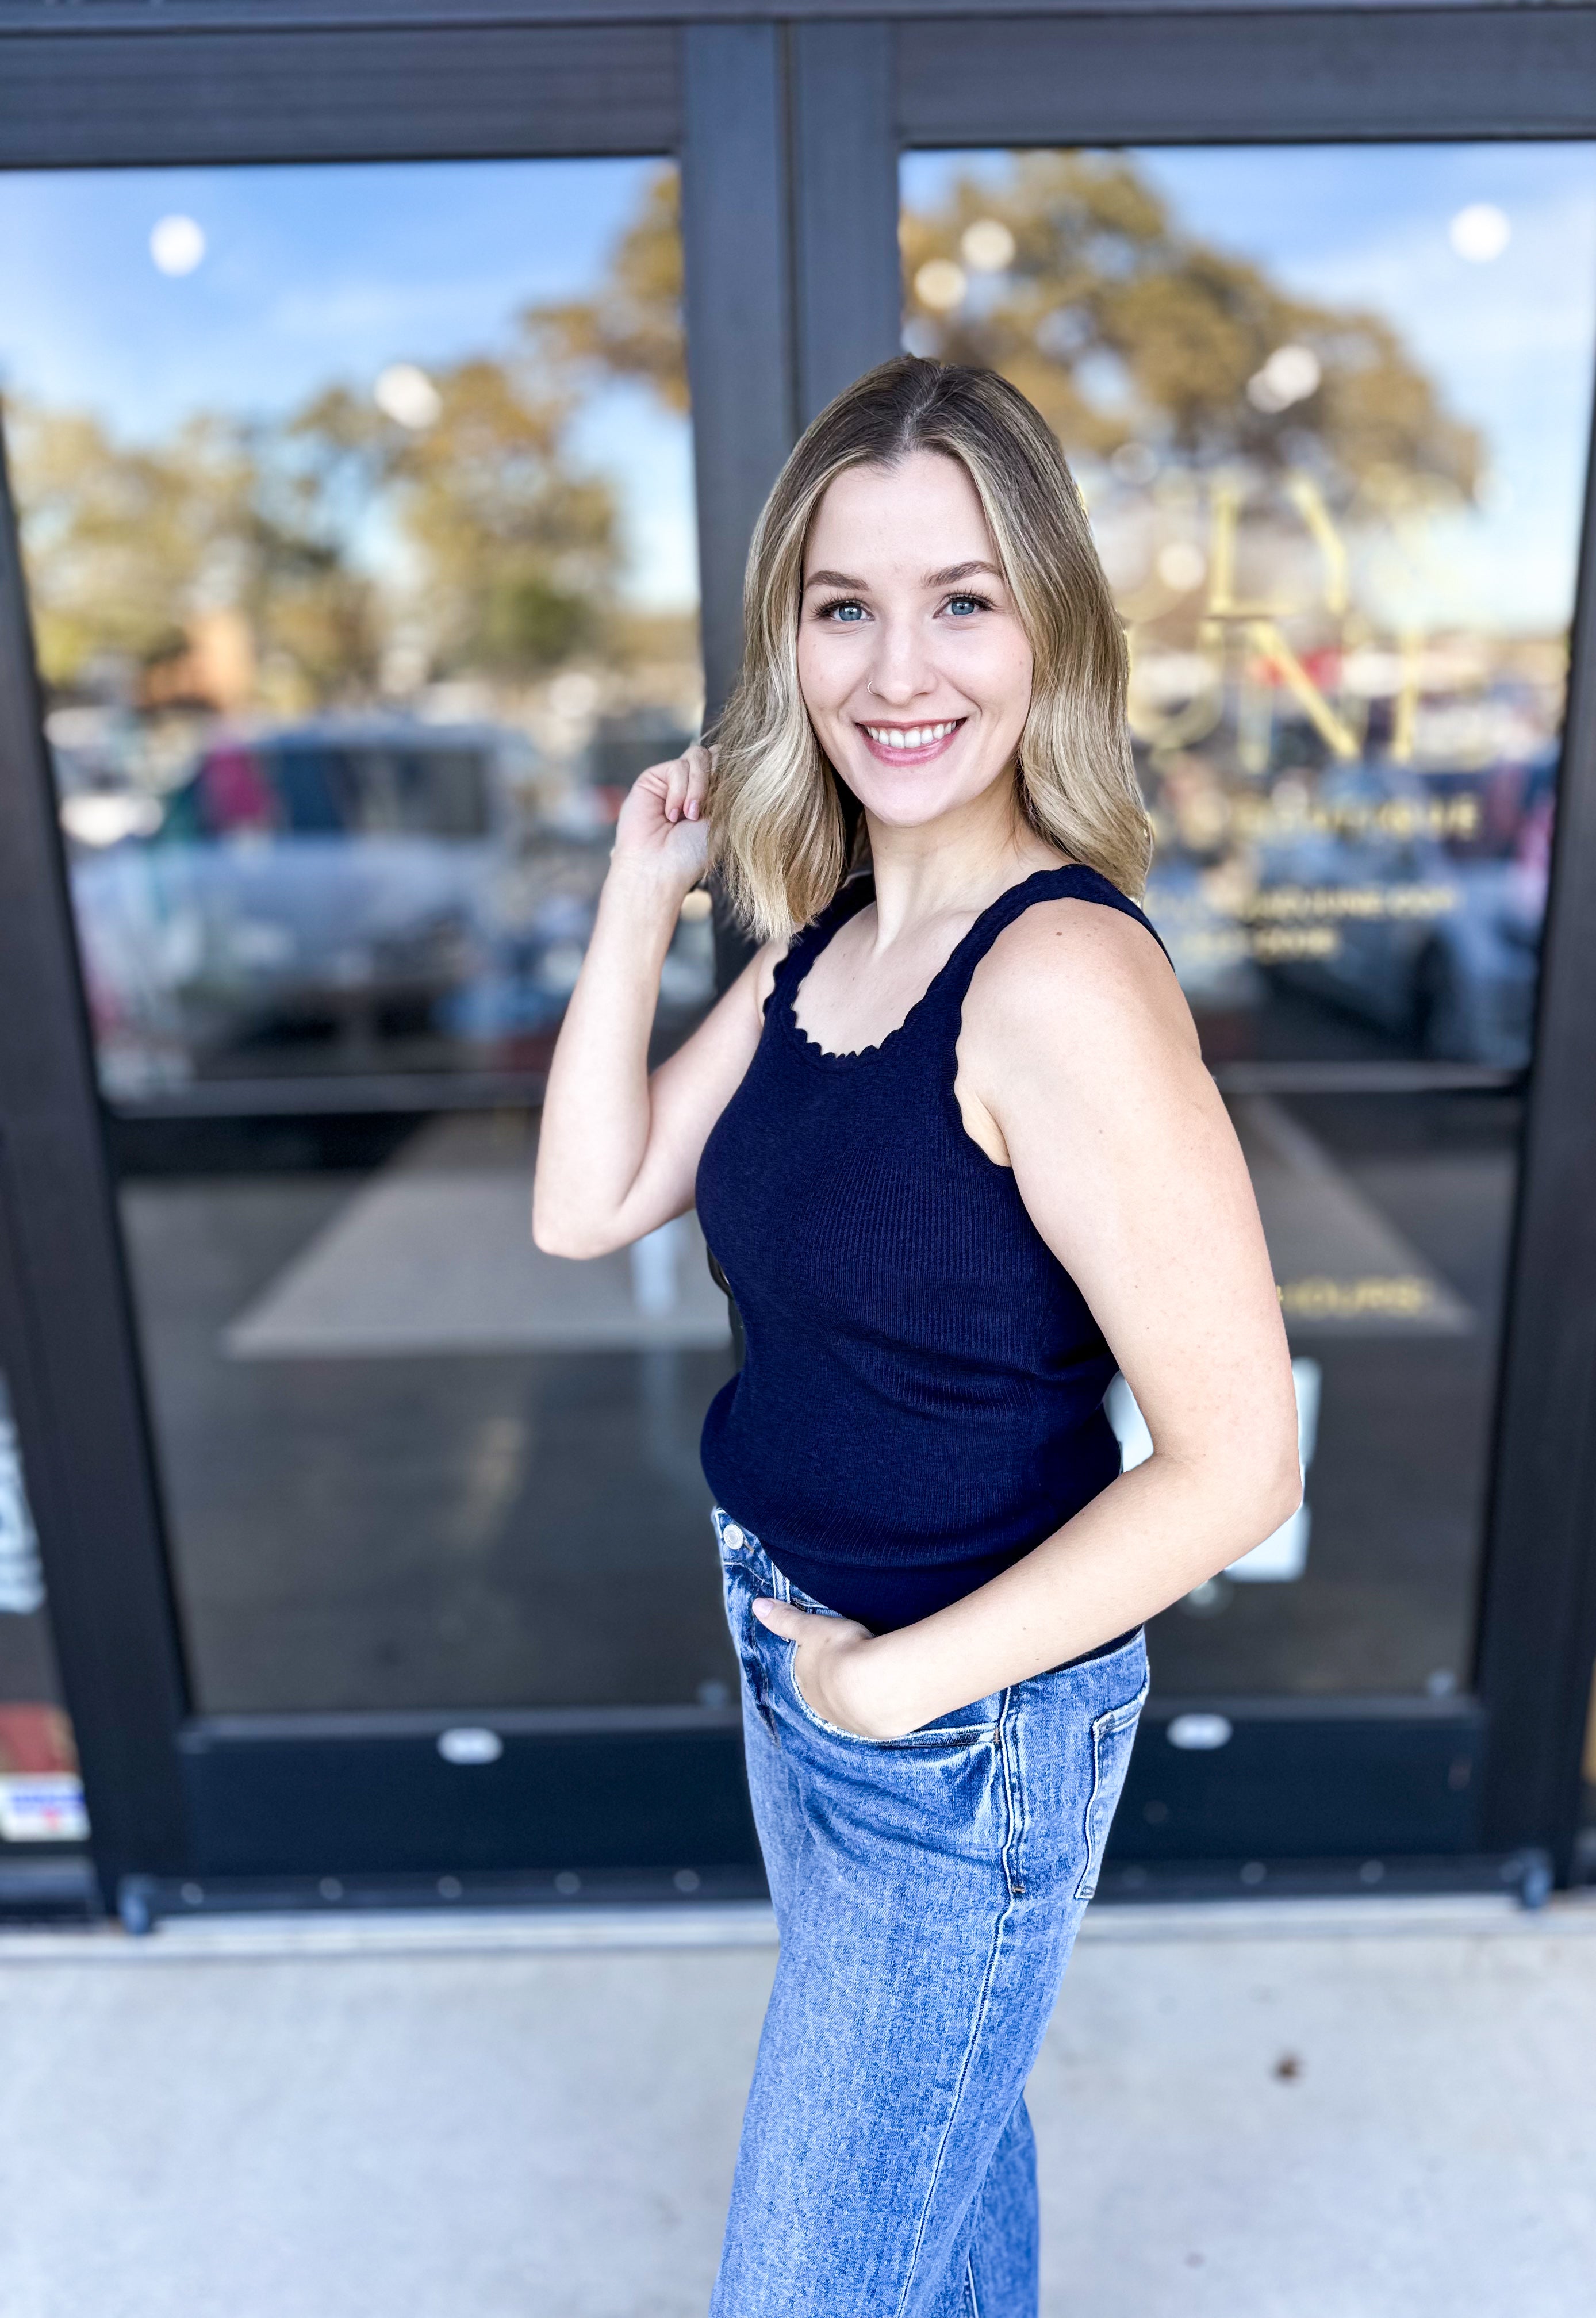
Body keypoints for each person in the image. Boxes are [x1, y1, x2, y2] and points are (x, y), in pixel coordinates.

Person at [532, 355, 1300, 2317]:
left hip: (961, 1729)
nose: (900, 669)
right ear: (788, 636)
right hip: (798, 1632)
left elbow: (1237, 1464)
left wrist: (893, 1692)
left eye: (963, 599)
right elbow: (586, 1202)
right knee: (945, 2188)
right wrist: (639, 904)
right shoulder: (822, 946)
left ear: (1051, 625)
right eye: (844, 606)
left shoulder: (1060, 979)